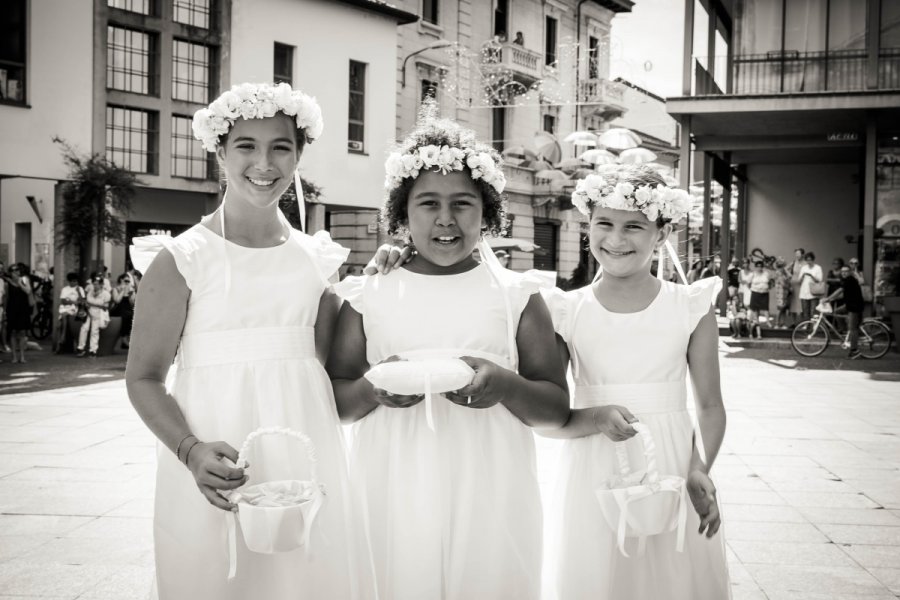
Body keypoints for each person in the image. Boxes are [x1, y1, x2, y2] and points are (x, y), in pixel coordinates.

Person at [125, 82, 375, 599]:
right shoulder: (182, 258)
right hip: (215, 459)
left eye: (280, 147)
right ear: (220, 152)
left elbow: (330, 372)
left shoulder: (318, 261)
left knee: (308, 580)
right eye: (246, 146)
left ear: (299, 154)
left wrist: (385, 277)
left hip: (305, 453)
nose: (264, 163)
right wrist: (190, 451)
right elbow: (144, 377)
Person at [327, 110, 569, 600]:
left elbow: (555, 408)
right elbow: (336, 399)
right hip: (392, 487)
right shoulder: (367, 294)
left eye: (463, 203)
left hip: (492, 490)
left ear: (488, 212)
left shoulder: (518, 295)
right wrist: (375, 387)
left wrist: (505, 384)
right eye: (428, 203)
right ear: (401, 212)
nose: (445, 218)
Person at [540, 164, 730, 600]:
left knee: (668, 575)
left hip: (671, 461)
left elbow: (710, 405)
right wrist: (594, 417)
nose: (616, 239)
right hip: (592, 458)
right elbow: (551, 413)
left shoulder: (690, 306)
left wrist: (700, 467)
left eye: (634, 227)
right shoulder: (565, 311)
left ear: (661, 235)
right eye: (603, 224)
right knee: (594, 572)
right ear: (588, 227)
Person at [823, 264, 865, 359]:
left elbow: (839, 291)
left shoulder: (850, 280)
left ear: (850, 272)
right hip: (849, 304)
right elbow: (843, 294)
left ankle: (854, 351)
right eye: (842, 271)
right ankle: (845, 332)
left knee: (853, 328)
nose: (844, 273)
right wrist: (832, 299)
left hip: (855, 306)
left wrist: (828, 299)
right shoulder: (845, 280)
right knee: (836, 312)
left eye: (846, 271)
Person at [3, 263, 34, 364]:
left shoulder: (25, 280)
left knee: (22, 333)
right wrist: (4, 310)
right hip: (12, 309)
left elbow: (28, 291)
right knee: (12, 333)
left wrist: (20, 283)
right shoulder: (7, 283)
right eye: (14, 271)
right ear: (10, 273)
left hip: (23, 309)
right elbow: (6, 297)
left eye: (18, 270)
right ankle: (14, 356)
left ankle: (22, 356)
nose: (17, 272)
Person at [76, 273, 111, 357]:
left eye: (97, 284)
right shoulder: (90, 292)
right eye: (94, 284)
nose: (95, 286)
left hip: (98, 313)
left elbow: (105, 307)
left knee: (94, 331)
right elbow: (85, 300)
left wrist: (92, 305)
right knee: (84, 329)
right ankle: (80, 348)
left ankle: (93, 350)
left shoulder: (106, 294)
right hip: (88, 312)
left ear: (101, 284)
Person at [56, 272, 84, 353]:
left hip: (74, 309)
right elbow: (63, 301)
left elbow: (82, 301)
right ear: (69, 281)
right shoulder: (65, 289)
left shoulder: (80, 289)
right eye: (72, 281)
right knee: (61, 321)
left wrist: (78, 292)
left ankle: (63, 337)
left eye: (75, 281)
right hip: (65, 308)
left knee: (64, 316)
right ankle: (61, 340)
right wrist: (74, 301)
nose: (74, 283)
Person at [110, 272, 136, 350]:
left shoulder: (131, 290)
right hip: (119, 309)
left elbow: (132, 303)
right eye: (125, 281)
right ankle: (123, 340)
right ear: (121, 280)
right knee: (124, 317)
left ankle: (126, 340)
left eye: (128, 281)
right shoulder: (116, 289)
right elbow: (117, 300)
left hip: (128, 309)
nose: (127, 283)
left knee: (131, 317)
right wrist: (122, 291)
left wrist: (130, 295)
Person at [747, 260, 772, 339]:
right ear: (755, 267)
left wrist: (768, 288)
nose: (759, 268)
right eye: (757, 266)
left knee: (765, 308)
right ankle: (756, 322)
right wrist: (752, 289)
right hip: (755, 292)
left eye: (760, 266)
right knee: (755, 309)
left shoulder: (766, 273)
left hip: (764, 293)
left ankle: (768, 321)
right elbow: (748, 283)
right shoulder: (752, 274)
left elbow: (770, 282)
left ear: (762, 267)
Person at [798, 251, 824, 321]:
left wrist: (811, 275)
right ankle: (806, 328)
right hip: (804, 292)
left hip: (814, 293)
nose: (809, 262)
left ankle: (813, 328)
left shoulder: (818, 268)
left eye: (810, 260)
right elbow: (799, 281)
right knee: (805, 311)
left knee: (813, 312)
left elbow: (819, 280)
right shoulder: (804, 268)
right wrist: (803, 276)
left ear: (813, 259)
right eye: (807, 260)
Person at [772, 257, 792, 329]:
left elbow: (790, 276)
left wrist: (786, 270)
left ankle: (782, 323)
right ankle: (777, 323)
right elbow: (783, 284)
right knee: (780, 308)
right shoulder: (778, 273)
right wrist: (789, 288)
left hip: (784, 292)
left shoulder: (783, 272)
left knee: (784, 308)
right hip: (780, 292)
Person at [788, 248, 805, 326]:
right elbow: (785, 269)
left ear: (802, 254)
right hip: (793, 285)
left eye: (799, 253)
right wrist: (790, 276)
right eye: (796, 254)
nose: (797, 255)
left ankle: (802, 323)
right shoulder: (793, 262)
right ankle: (793, 322)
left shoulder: (805, 263)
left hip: (801, 285)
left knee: (801, 304)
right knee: (793, 304)